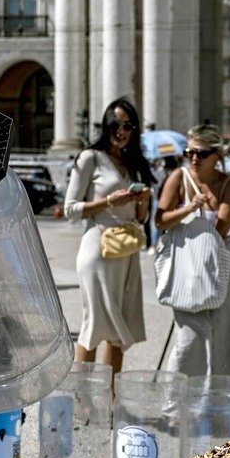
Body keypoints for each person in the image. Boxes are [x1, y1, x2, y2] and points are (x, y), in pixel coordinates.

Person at [64, 98, 154, 376]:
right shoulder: (90, 158)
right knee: (94, 324)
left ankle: (109, 401)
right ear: (105, 125)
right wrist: (109, 202)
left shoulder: (134, 163)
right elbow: (70, 209)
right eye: (115, 124)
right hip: (98, 248)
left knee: (119, 329)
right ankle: (81, 400)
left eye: (128, 125)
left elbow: (141, 219)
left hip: (126, 252)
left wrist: (142, 202)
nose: (121, 130)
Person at [156, 125, 230, 376]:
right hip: (185, 258)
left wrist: (207, 206)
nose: (194, 158)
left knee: (224, 332)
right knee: (188, 337)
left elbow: (222, 229)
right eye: (189, 152)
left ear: (217, 155)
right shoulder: (179, 177)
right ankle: (177, 402)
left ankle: (219, 402)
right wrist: (189, 208)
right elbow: (160, 220)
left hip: (219, 257)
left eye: (202, 153)